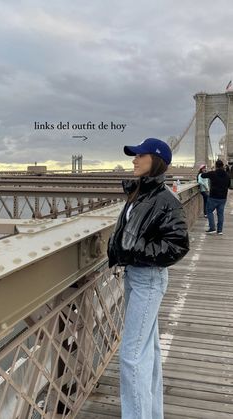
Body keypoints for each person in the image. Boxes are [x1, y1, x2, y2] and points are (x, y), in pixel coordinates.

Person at [107, 137, 190, 419]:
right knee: (148, 353)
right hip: (135, 276)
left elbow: (178, 245)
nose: (133, 160)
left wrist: (135, 249)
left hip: (148, 279)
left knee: (131, 358)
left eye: (139, 155)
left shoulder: (165, 200)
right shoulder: (140, 194)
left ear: (154, 160)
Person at [201, 159, 231, 234]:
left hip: (213, 197)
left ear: (216, 166)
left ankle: (212, 228)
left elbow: (202, 175)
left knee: (209, 211)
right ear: (223, 166)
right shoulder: (227, 175)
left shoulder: (213, 173)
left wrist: (205, 171)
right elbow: (229, 185)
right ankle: (220, 230)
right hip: (223, 198)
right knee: (220, 214)